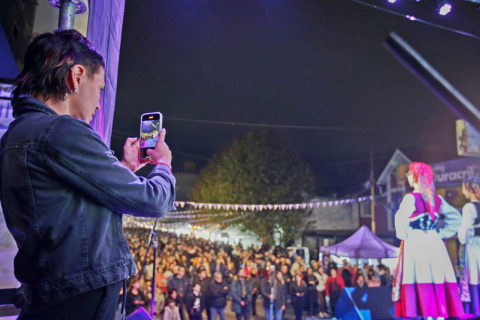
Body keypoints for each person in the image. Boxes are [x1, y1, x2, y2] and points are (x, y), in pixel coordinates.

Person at [0, 30, 176, 320]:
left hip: (52, 291)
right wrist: (163, 165)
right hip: (79, 295)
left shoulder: (15, 136)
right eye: (100, 88)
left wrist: (126, 168)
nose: (98, 103)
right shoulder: (61, 131)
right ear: (77, 76)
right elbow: (152, 201)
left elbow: (65, 208)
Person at [393, 162, 464, 318]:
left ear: (414, 176)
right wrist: (442, 233)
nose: (408, 177)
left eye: (409, 174)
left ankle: (428, 315)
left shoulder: (411, 198)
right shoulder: (436, 199)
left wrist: (405, 235)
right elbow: (456, 218)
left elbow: (400, 218)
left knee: (421, 278)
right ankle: (438, 315)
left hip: (416, 243)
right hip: (434, 243)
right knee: (437, 277)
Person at [458, 175, 480, 315]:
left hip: (474, 247)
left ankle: (476, 312)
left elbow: (463, 234)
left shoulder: (469, 207)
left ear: (467, 187)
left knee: (474, 279)